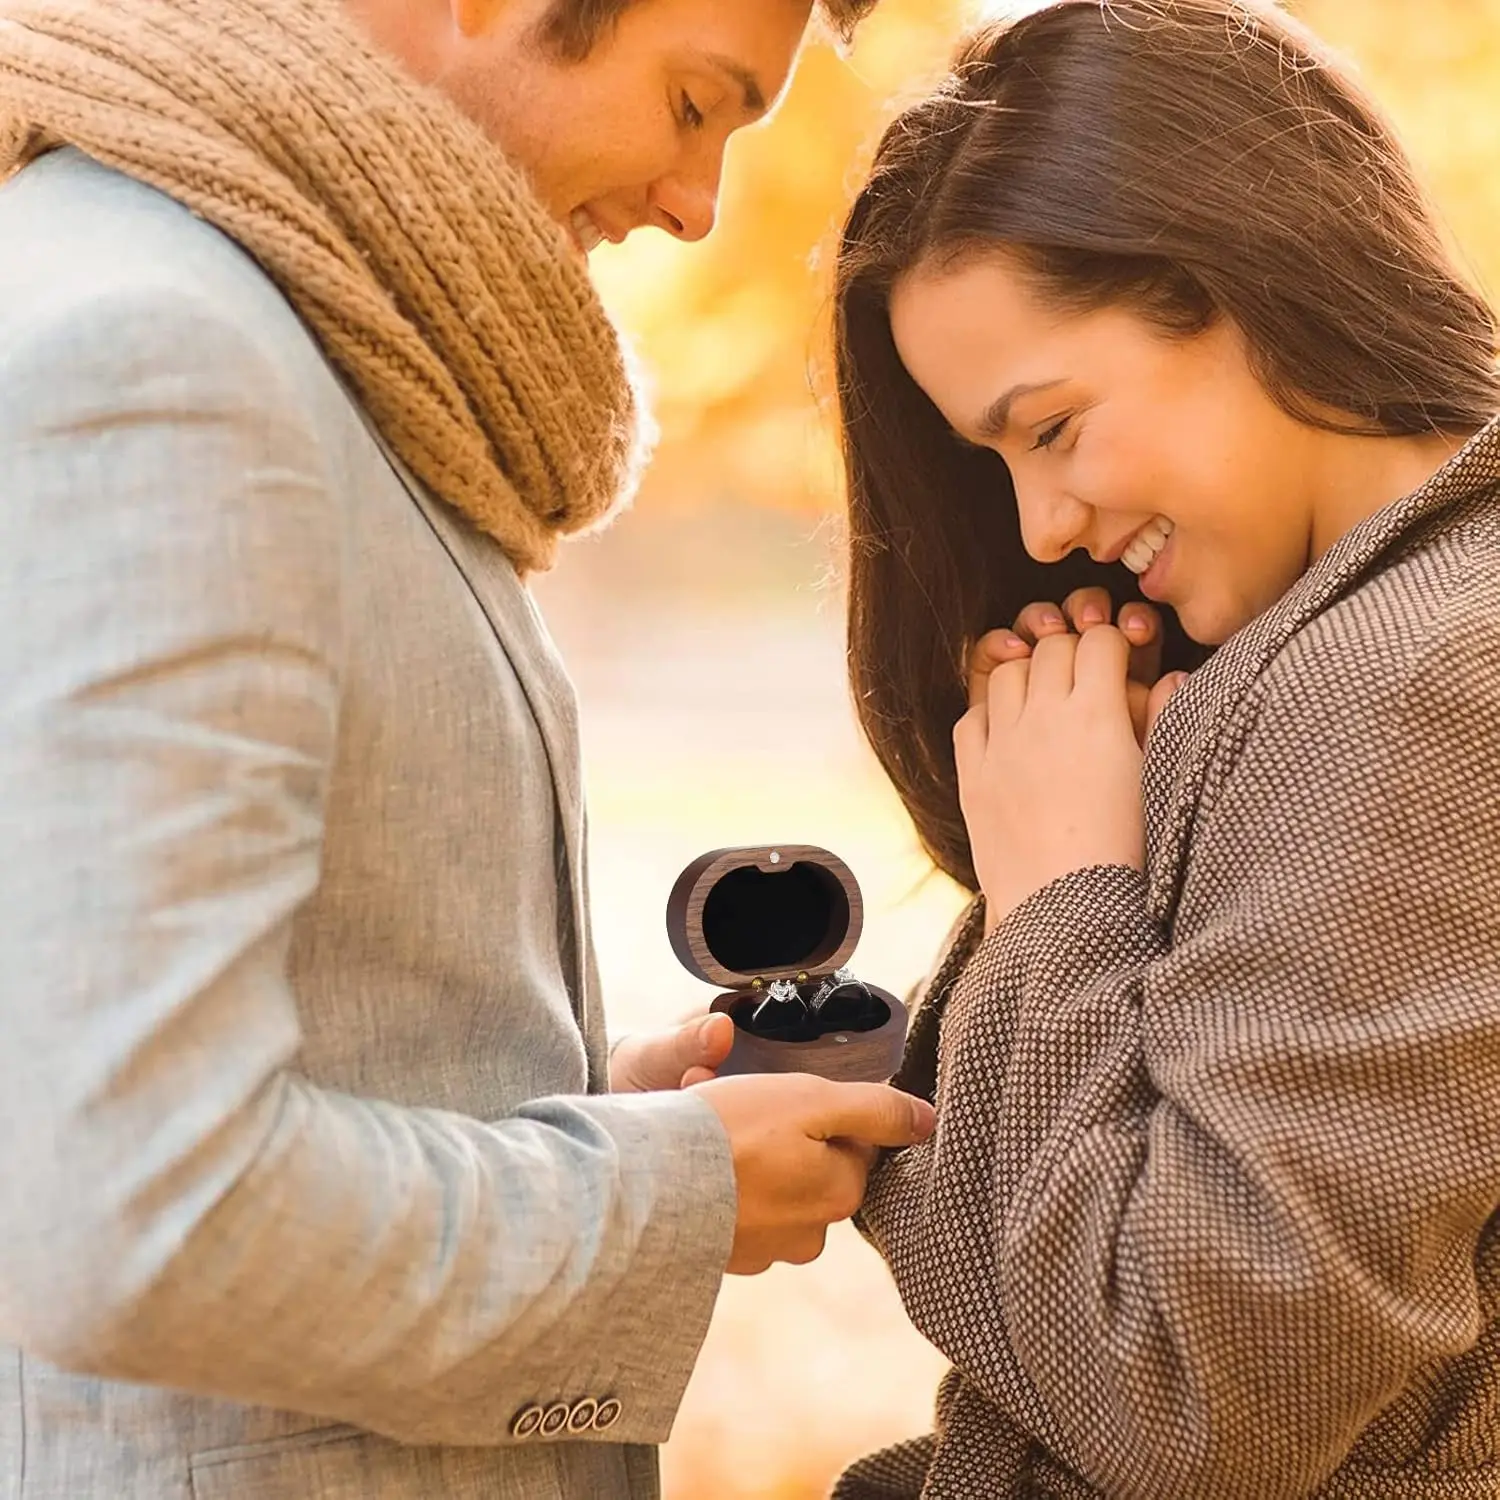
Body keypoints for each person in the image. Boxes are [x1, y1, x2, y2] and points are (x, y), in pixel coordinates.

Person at [0, 1, 937, 1497]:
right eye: (696, 107)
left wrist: (587, 1112)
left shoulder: (312, 339)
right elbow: (136, 1212)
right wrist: (672, 1194)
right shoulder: (165, 354)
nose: (699, 211)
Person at [828, 1, 1500, 1495]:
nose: (1037, 529)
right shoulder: (1323, 660)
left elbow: (1189, 1397)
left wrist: (1063, 890)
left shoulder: (1419, 676)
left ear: (1245, 278)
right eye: (989, 461)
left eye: (1052, 428)